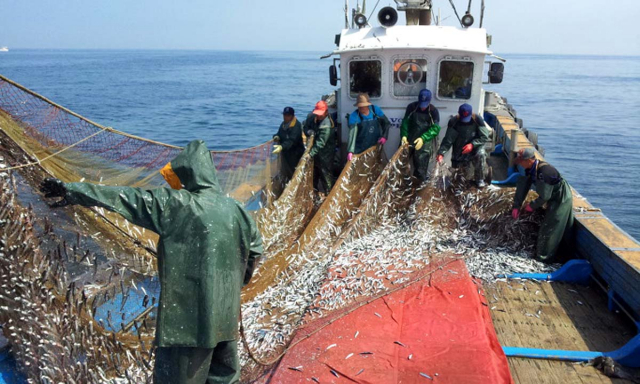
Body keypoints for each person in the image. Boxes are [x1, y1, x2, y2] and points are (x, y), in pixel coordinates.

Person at [39, 140, 262, 384]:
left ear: (187, 175)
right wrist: (231, 288)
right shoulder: (237, 210)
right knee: (225, 379)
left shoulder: (176, 204)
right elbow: (253, 253)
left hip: (186, 329)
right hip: (226, 322)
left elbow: (125, 197)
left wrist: (72, 191)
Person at [511, 148, 574, 263]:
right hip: (552, 196)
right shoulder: (530, 169)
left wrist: (531, 206)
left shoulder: (544, 172)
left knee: (550, 227)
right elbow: (523, 187)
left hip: (561, 198)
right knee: (554, 225)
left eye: (521, 161)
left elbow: (545, 197)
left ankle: (544, 259)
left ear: (529, 160)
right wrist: (517, 205)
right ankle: (554, 254)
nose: (520, 164)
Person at [436, 103, 491, 188]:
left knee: (481, 154)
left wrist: (472, 145)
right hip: (460, 150)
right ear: (459, 114)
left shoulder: (477, 120)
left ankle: (479, 179)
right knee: (460, 179)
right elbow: (448, 140)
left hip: (475, 149)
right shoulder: (454, 122)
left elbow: (484, 137)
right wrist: (441, 153)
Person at [400, 89, 441, 181]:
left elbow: (435, 128)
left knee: (421, 162)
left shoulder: (433, 111)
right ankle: (403, 181)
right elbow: (405, 122)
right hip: (410, 137)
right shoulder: (411, 107)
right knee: (402, 159)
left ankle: (419, 182)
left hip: (425, 139)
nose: (423, 107)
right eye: (422, 104)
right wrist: (404, 135)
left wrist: (423, 139)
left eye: (425, 104)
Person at [304, 100, 336, 192]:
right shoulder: (311, 117)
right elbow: (305, 126)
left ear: (326, 112)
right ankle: (314, 191)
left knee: (325, 173)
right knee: (314, 172)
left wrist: (310, 154)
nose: (318, 116)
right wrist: (308, 132)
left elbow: (320, 143)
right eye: (317, 113)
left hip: (326, 153)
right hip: (315, 151)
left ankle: (328, 192)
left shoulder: (327, 125)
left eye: (320, 114)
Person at [346, 93, 391, 161]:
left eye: (363, 106)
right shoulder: (354, 116)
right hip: (360, 147)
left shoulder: (375, 110)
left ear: (367, 105)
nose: (361, 108)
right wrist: (350, 151)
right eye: (359, 106)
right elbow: (352, 135)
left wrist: (384, 136)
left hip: (375, 144)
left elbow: (386, 123)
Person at [273, 106, 304, 181]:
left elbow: (291, 141)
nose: (285, 117)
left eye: (288, 115)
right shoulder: (283, 124)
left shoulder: (296, 126)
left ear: (292, 116)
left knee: (294, 171)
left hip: (295, 153)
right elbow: (279, 133)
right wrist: (276, 136)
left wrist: (281, 147)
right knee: (286, 171)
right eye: (284, 115)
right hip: (286, 153)